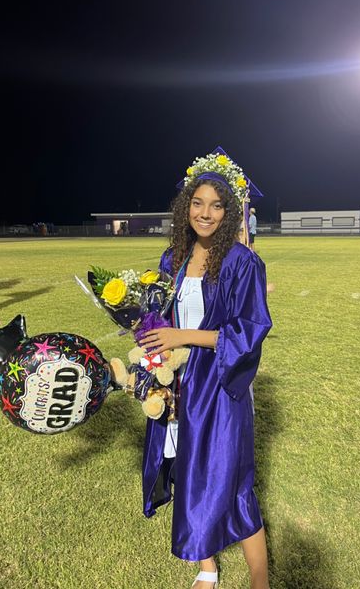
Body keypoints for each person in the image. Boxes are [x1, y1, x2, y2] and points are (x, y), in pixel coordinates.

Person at [139, 153, 272, 589]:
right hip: (179, 383)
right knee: (188, 469)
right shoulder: (171, 259)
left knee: (230, 480)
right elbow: (160, 321)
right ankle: (208, 567)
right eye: (198, 203)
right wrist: (154, 354)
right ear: (185, 206)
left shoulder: (240, 261)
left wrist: (185, 337)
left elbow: (248, 331)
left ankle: (259, 578)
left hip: (221, 386)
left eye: (217, 205)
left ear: (229, 211)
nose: (206, 213)